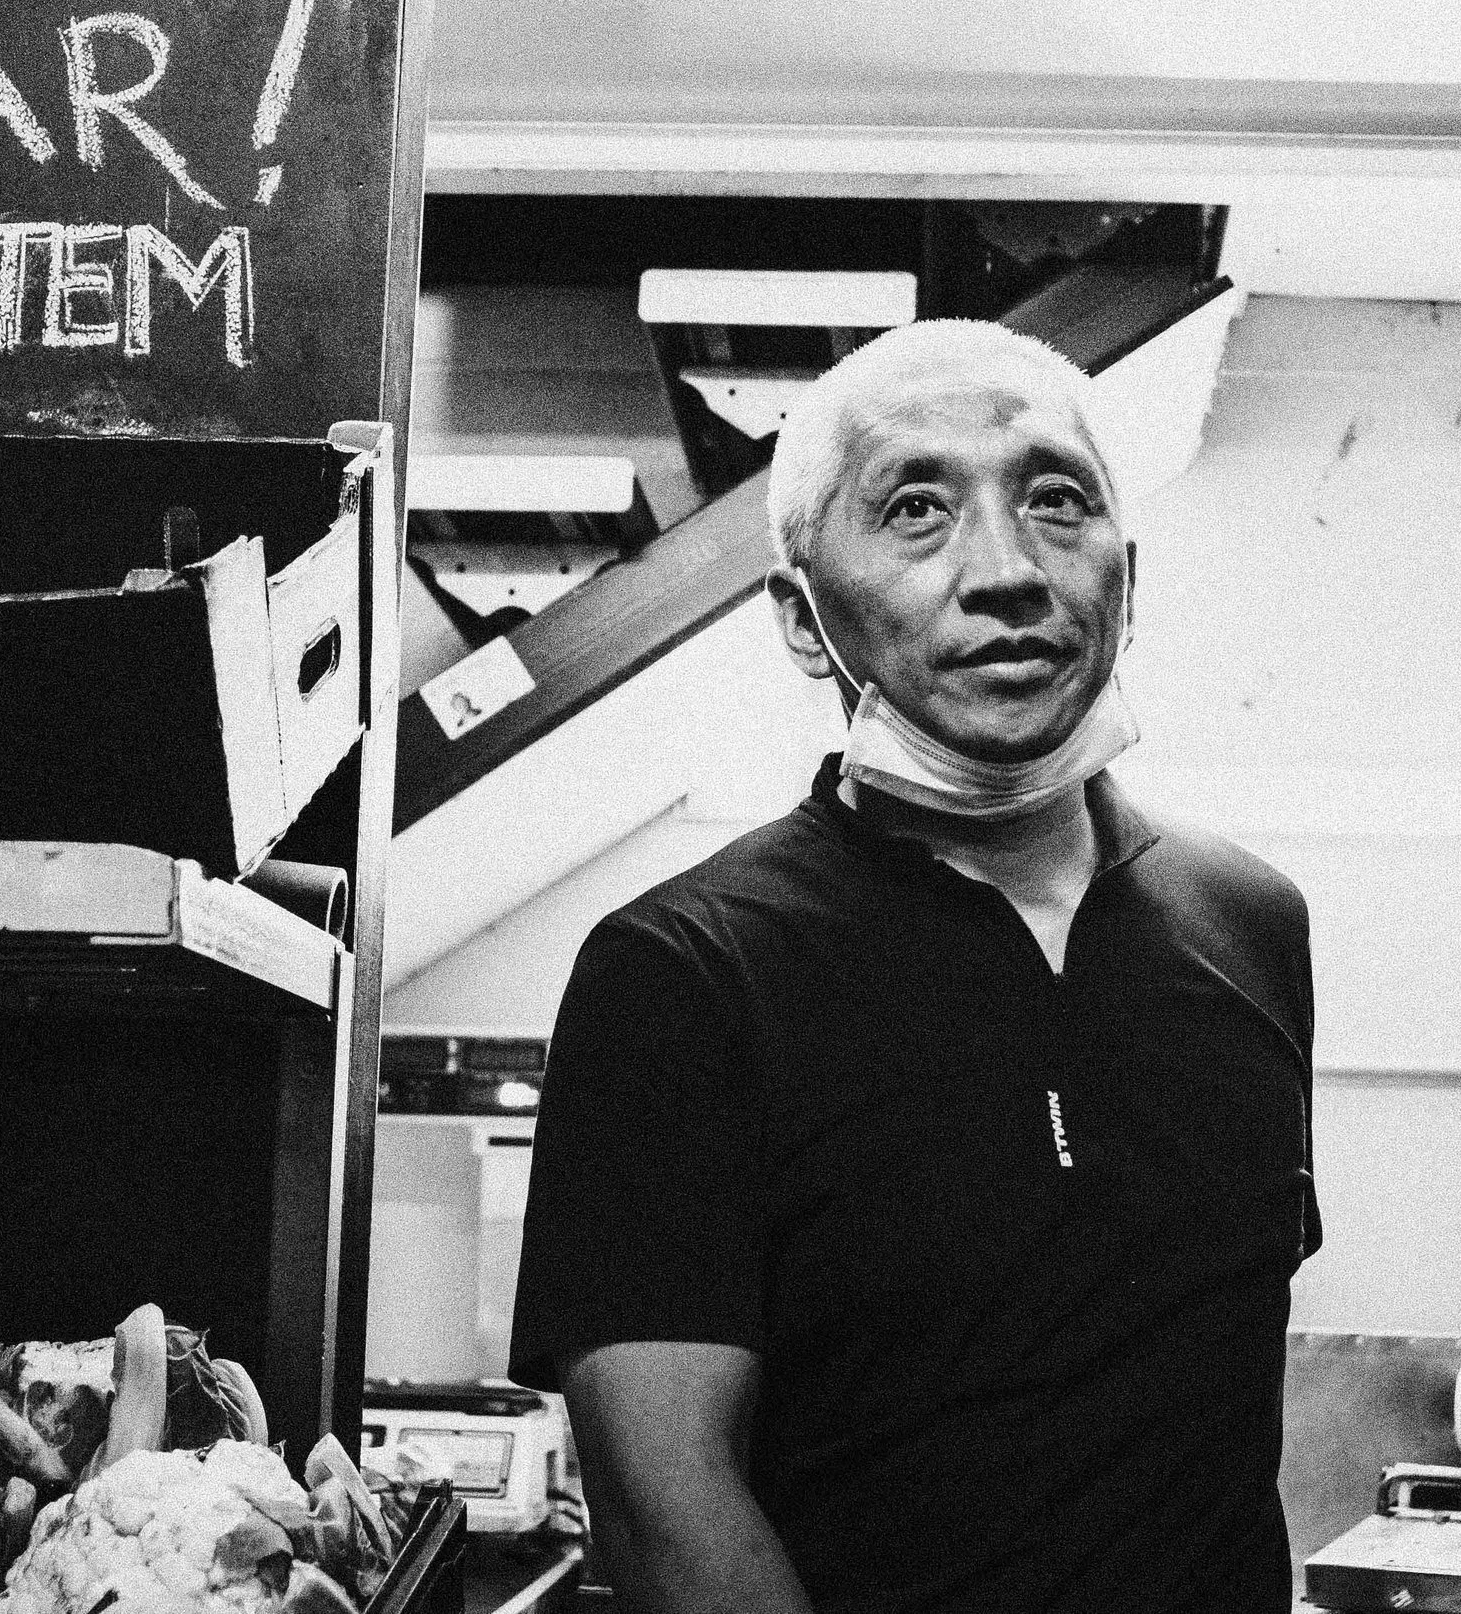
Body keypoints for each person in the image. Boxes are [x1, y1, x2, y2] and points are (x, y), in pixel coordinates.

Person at [507, 319, 1318, 1613]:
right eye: (916, 508)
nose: (1004, 567)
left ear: (1129, 572)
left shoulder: (1254, 922)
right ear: (798, 616)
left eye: (1057, 500)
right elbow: (667, 1515)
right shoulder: (679, 975)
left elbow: (1204, 1413)